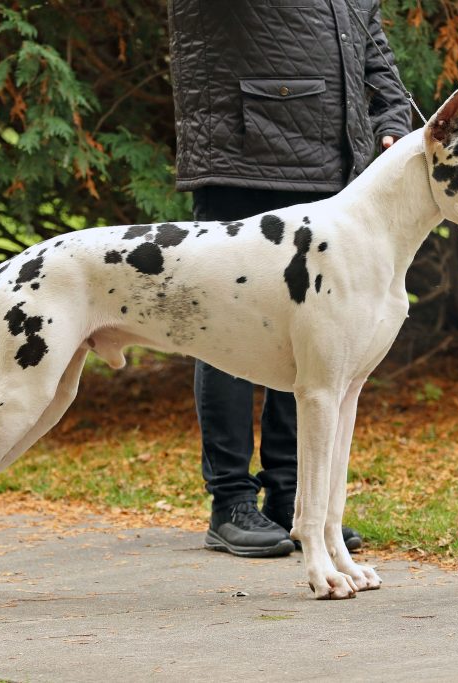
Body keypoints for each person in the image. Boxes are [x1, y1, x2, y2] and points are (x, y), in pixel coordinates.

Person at [167, 0, 412, 557]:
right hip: (244, 155)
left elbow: (371, 49)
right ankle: (230, 501)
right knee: (222, 330)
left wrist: (394, 122)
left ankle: (289, 497)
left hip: (331, 166)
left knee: (312, 336)